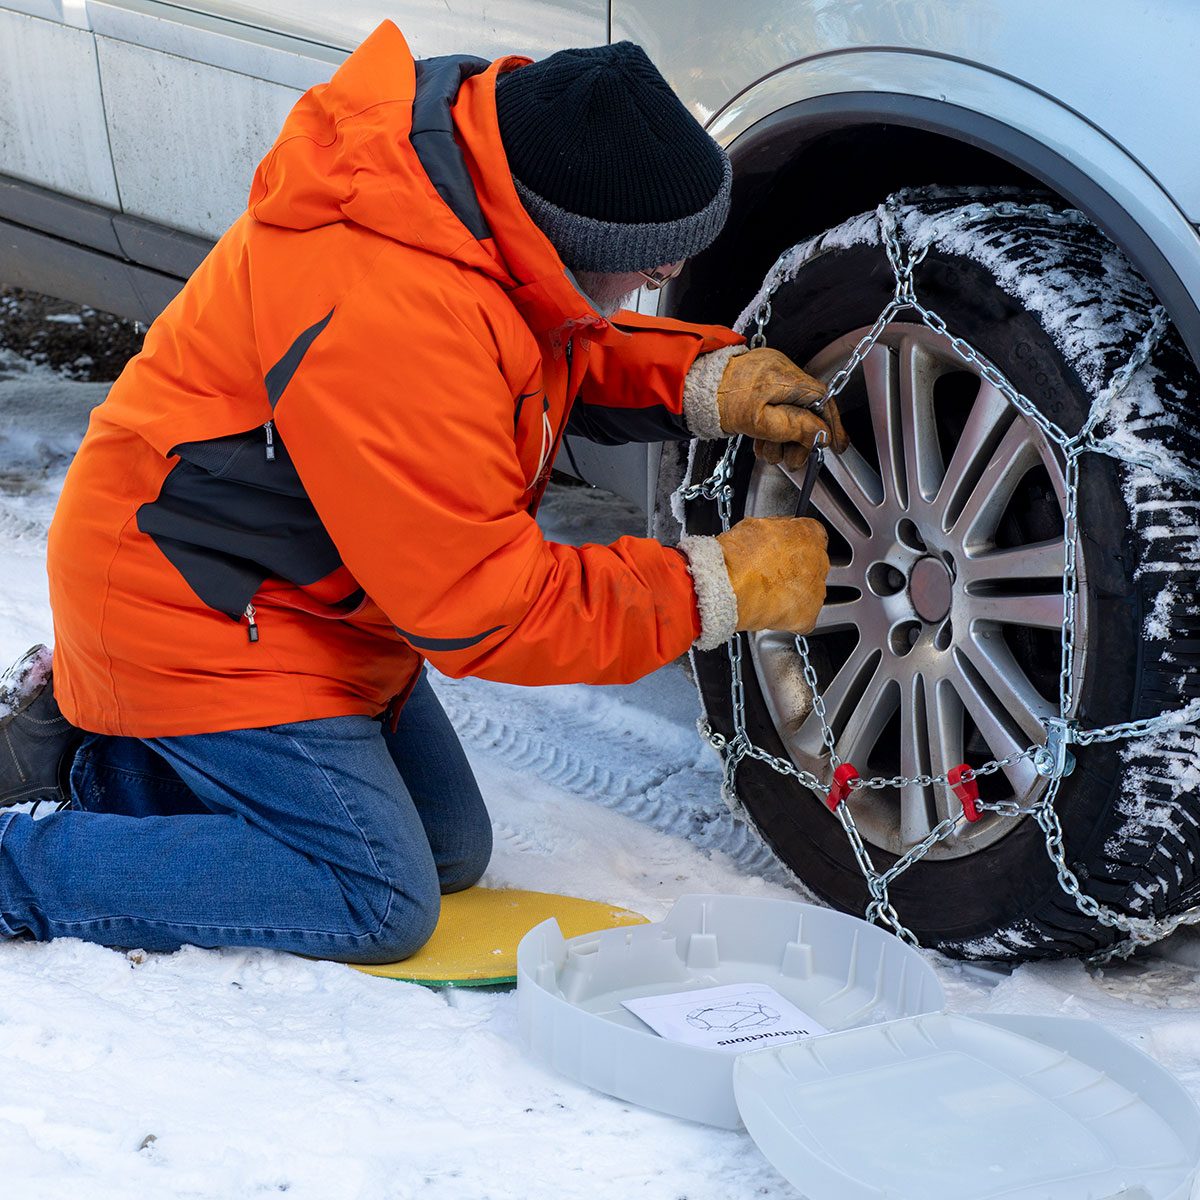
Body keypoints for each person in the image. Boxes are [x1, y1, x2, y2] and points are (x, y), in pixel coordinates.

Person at [0, 23, 845, 963]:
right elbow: (488, 611)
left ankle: (105, 757)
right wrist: (713, 588)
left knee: (450, 848)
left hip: (306, 591)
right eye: (653, 257)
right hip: (189, 602)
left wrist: (698, 383)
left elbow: (533, 344)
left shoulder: (470, 192)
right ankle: (23, 865)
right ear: (571, 233)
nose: (669, 276)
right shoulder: (392, 308)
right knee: (375, 895)